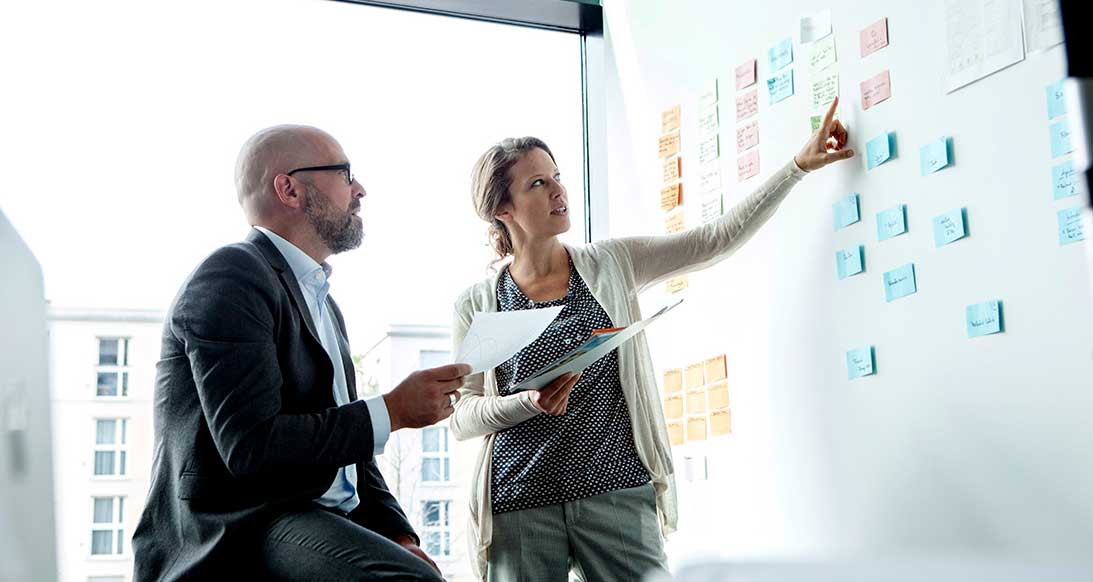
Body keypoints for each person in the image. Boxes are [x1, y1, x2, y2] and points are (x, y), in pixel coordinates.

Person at [450, 98, 854, 581]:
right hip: (520, 504)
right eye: (538, 183)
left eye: (557, 176)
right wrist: (527, 403)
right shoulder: (478, 304)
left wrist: (795, 168)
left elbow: (714, 239)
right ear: (502, 209)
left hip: (616, 490)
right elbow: (462, 416)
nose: (559, 190)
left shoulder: (611, 264)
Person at [132, 125, 468, 581]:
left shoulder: (324, 303)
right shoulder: (232, 276)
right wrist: (392, 410)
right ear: (289, 188)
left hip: (311, 518)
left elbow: (354, 457)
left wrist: (398, 534)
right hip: (242, 524)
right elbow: (251, 447)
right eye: (345, 174)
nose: (360, 189)